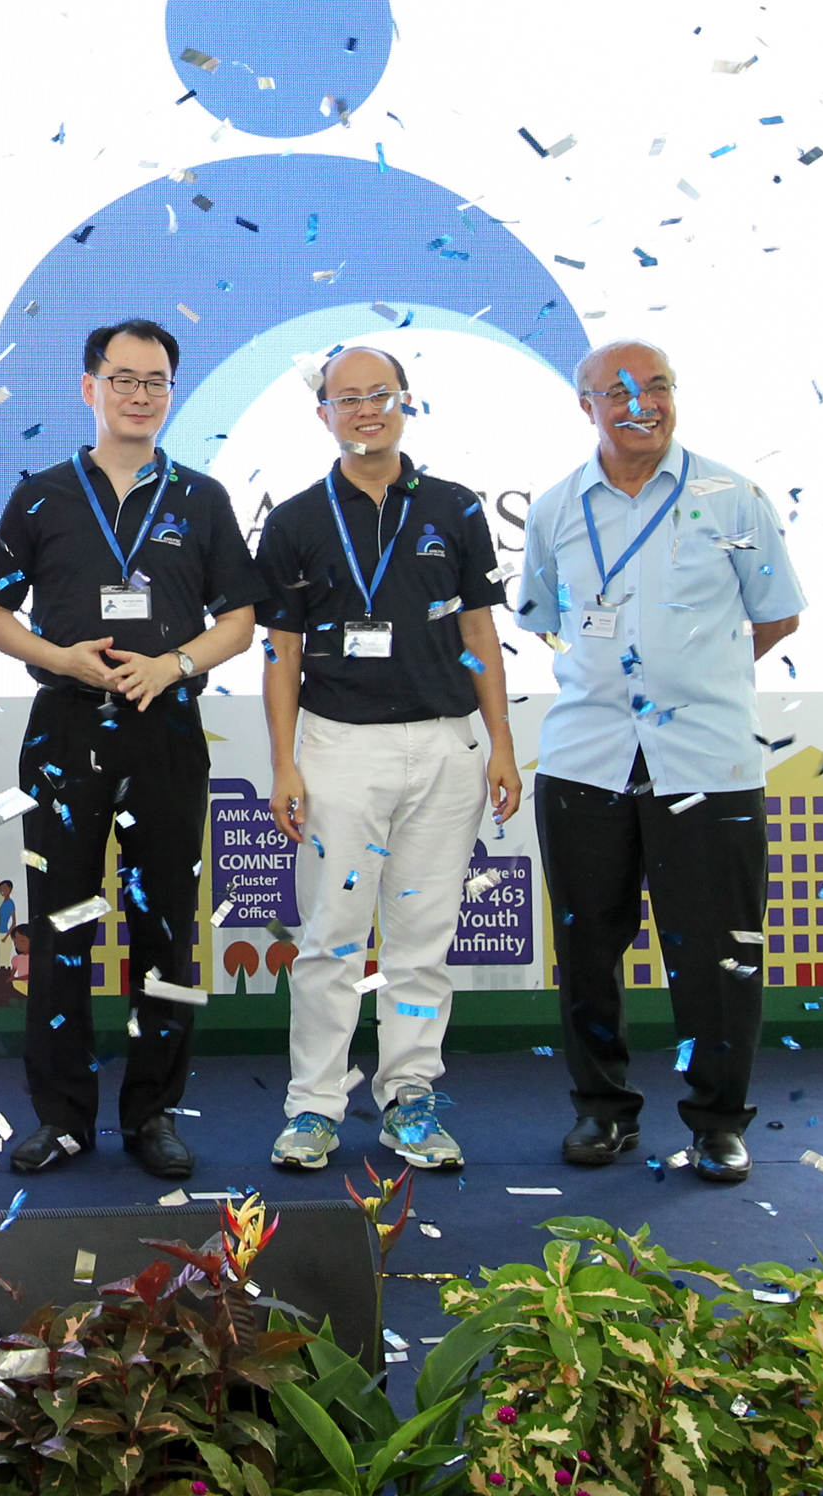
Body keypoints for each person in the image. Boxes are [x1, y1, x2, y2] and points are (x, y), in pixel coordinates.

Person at [0, 319, 264, 1181]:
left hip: (165, 731)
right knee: (61, 926)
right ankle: (61, 1119)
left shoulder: (201, 498)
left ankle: (154, 1114)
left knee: (166, 932)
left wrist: (174, 664)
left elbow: (240, 622)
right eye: (125, 378)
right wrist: (58, 657)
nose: (141, 395)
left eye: (157, 382)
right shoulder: (41, 495)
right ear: (88, 387)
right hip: (63, 730)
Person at [516, 342, 802, 1186]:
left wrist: (697, 669)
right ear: (587, 406)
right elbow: (542, 614)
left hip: (709, 758)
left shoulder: (735, 499)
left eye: (658, 388)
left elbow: (775, 616)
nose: (641, 404)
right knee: (588, 949)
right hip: (586, 759)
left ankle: (718, 1122)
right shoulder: (556, 509)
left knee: (718, 953)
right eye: (619, 392)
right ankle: (601, 1111)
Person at [257, 346, 520, 1175]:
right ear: (323, 414)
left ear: (407, 402)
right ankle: (313, 1107)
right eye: (348, 398)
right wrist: (285, 763)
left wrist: (502, 746)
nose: (366, 409)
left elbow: (480, 633)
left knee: (420, 942)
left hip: (446, 744)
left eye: (382, 395)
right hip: (338, 748)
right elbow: (282, 653)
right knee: (330, 940)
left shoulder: (454, 508)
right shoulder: (297, 519)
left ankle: (410, 1098)